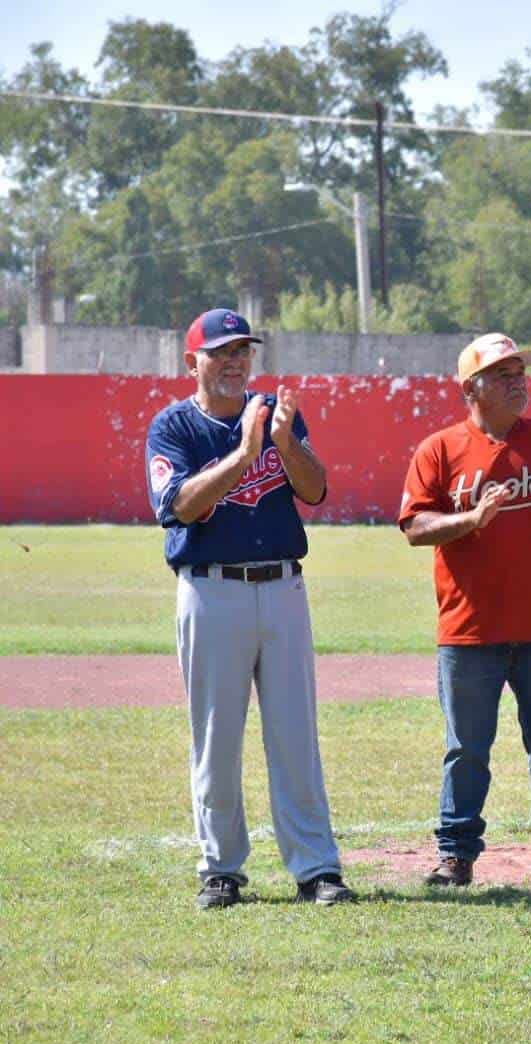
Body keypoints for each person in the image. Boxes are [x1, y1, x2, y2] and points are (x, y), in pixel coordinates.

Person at [144, 308, 354, 909]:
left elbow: (314, 489)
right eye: (221, 352)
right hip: (211, 590)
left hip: (283, 585)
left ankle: (316, 867)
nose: (235, 361)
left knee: (295, 734)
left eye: (243, 350)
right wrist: (242, 455)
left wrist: (283, 441)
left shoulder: (274, 413)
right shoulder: (174, 427)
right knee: (216, 736)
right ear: (194, 362)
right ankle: (221, 868)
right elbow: (178, 505)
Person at [398, 332, 531, 892]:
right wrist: (469, 521)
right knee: (466, 750)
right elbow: (415, 527)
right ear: (473, 388)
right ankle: (456, 855)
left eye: (521, 371)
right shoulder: (439, 450)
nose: (519, 381)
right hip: (469, 631)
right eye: (504, 374)